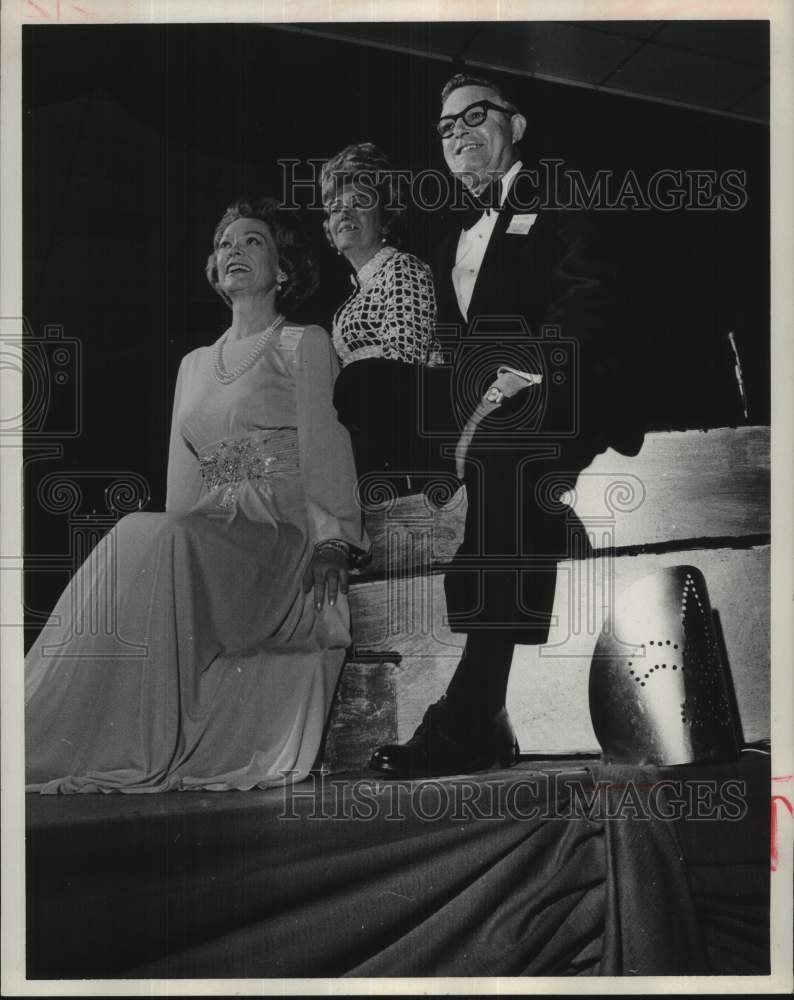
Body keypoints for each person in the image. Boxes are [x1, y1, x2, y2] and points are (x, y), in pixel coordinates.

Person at [25, 196, 368, 793]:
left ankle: (133, 740)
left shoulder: (304, 342)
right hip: (207, 533)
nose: (234, 250)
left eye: (252, 241)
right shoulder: (192, 365)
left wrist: (335, 539)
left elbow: (326, 444)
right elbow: (181, 492)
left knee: (157, 534)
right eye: (224, 244)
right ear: (214, 270)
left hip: (276, 534)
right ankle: (55, 738)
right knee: (146, 531)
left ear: (283, 269)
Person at [369, 73, 632, 778]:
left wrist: (530, 374)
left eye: (472, 116)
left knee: (505, 450)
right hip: (496, 403)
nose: (456, 132)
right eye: (445, 127)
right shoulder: (453, 231)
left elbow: (589, 298)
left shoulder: (561, 188)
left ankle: (475, 706)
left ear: (516, 126)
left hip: (571, 379)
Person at [321, 142, 439, 498]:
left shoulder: (403, 268)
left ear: (385, 217)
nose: (346, 214)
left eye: (360, 203)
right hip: (367, 447)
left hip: (407, 449)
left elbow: (403, 368)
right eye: (336, 208)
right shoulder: (347, 303)